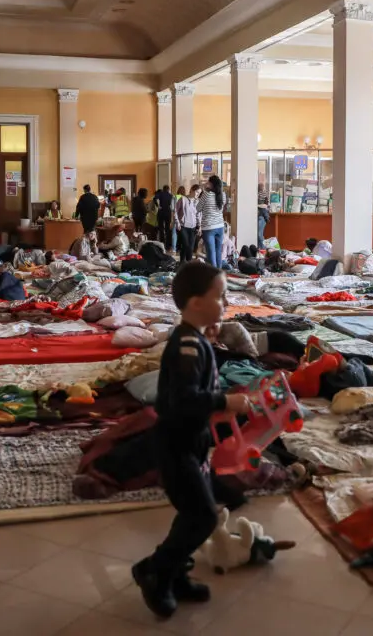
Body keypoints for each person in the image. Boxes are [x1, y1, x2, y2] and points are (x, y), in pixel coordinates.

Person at [131, 262, 250, 619]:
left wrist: (217, 408)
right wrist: (223, 401)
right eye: (220, 295)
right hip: (175, 445)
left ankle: (174, 573)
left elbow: (195, 392)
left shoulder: (195, 338)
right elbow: (180, 400)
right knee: (201, 516)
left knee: (192, 513)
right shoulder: (186, 345)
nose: (226, 301)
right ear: (196, 303)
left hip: (191, 441)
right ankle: (156, 571)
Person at [198, 176, 227, 269]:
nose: (206, 183)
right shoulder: (223, 195)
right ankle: (219, 273)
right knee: (218, 251)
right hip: (220, 226)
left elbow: (197, 208)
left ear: (211, 184)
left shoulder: (206, 195)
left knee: (211, 252)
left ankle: (214, 276)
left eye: (208, 182)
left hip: (209, 227)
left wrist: (204, 190)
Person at [175, 184, 200, 264]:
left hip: (193, 227)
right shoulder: (182, 199)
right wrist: (177, 223)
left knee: (191, 248)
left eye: (199, 193)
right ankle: (182, 262)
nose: (197, 194)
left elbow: (198, 214)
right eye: (196, 192)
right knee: (185, 244)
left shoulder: (197, 202)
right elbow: (175, 211)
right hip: (183, 226)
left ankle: (188, 264)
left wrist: (199, 226)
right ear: (192, 190)